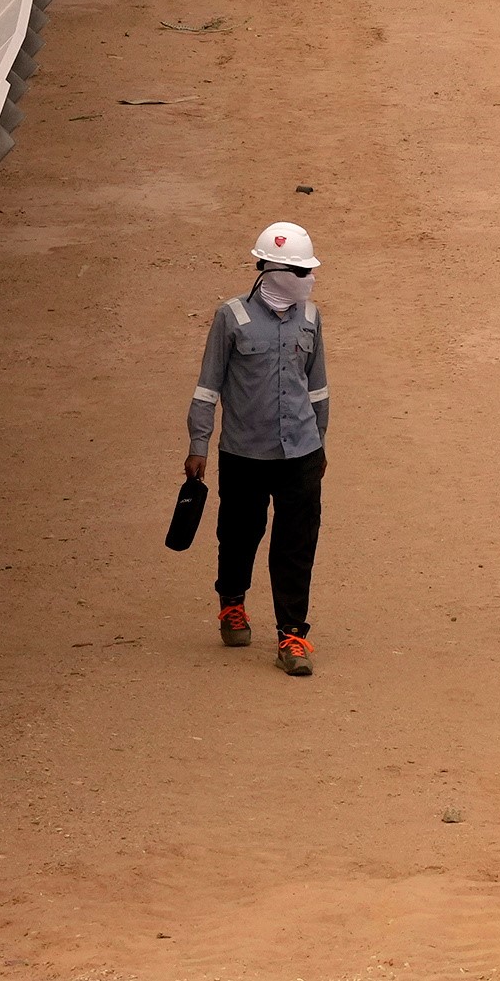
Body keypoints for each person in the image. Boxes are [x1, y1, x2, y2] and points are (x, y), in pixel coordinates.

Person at [187, 220, 330, 675]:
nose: (307, 279)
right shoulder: (232, 317)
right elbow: (208, 387)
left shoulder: (311, 317)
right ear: (269, 269)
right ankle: (232, 601)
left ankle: (292, 635)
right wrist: (199, 445)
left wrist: (320, 445)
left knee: (296, 544)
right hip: (244, 454)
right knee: (239, 535)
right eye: (298, 270)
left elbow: (318, 389)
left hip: (301, 454)